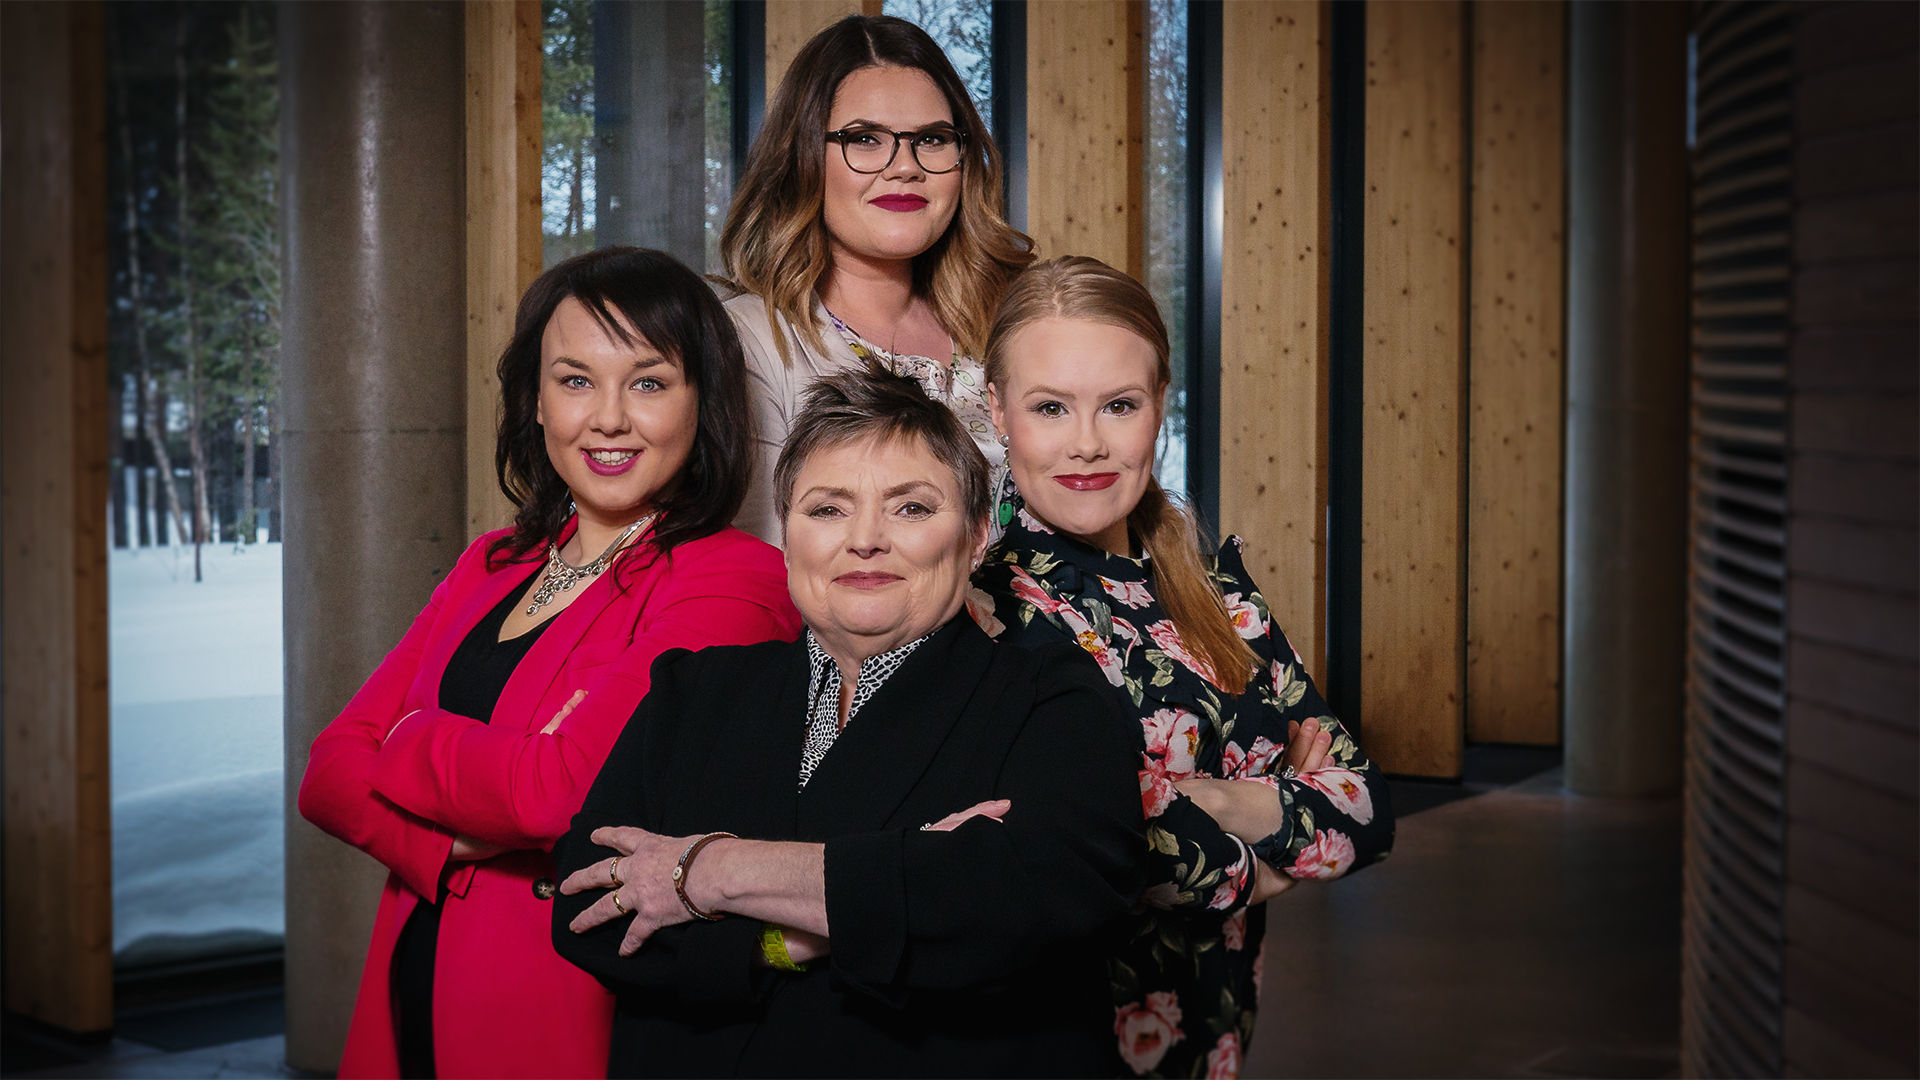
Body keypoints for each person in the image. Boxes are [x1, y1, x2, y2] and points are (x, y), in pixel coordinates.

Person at [550, 371, 1147, 1078]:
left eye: (911, 508)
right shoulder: (694, 691)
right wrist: (861, 903)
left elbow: (1035, 907)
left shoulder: (1054, 701)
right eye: (828, 509)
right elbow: (586, 906)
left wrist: (706, 871)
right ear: (786, 533)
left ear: (976, 535)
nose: (865, 540)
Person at [298, 247, 803, 1078]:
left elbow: (559, 794)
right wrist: (465, 835)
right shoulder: (494, 563)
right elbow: (327, 774)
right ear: (536, 400)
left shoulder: (733, 580)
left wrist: (409, 736)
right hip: (412, 974)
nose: (608, 418)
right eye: (575, 380)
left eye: (648, 382)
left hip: (555, 1003)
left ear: (703, 401)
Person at [972, 256, 1395, 1079]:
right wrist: (1273, 839)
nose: (1087, 442)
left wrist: (1211, 803)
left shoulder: (1212, 586)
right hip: (1057, 1040)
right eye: (1051, 407)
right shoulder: (987, 611)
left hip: (1216, 1031)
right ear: (998, 411)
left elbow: (1369, 811)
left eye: (1119, 405)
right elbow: (1097, 858)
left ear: (1160, 405)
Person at [719, 13, 1033, 543]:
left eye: (932, 139)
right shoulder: (748, 341)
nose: (905, 166)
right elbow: (766, 565)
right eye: (865, 138)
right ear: (802, 157)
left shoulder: (1016, 323)